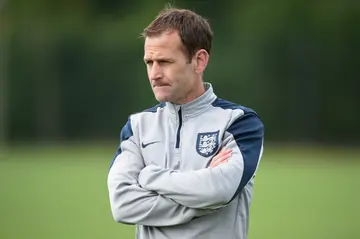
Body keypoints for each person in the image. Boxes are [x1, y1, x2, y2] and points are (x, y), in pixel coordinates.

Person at [107, 6, 264, 239]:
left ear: (199, 61)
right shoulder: (137, 127)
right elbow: (122, 205)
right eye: (149, 62)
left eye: (165, 61)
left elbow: (218, 190)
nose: (154, 73)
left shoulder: (239, 123)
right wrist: (201, 198)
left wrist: (149, 176)